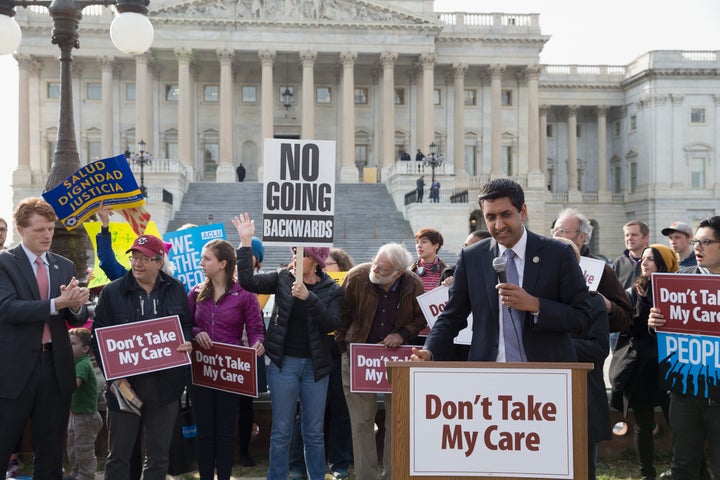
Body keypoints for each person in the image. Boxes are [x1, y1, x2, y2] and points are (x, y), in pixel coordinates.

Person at [412, 178, 591, 363]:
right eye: (491, 217)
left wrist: (536, 305)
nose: (498, 225)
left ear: (522, 212)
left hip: (545, 374)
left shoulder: (558, 254)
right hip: (489, 376)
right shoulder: (471, 257)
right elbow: (452, 317)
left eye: (505, 215)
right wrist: (429, 351)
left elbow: (583, 317)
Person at [232, 213, 342, 480]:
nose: (295, 257)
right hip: (284, 365)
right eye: (294, 251)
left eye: (301, 254)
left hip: (316, 368)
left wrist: (310, 298)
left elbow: (333, 324)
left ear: (315, 261)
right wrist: (245, 243)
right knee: (281, 429)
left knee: (313, 432)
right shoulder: (283, 277)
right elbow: (247, 281)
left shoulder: (332, 289)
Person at [0, 197, 90, 479]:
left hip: (55, 366)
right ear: (20, 229)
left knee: (51, 450)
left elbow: (75, 317)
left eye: (50, 228)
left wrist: (76, 305)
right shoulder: (5, 263)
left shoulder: (63, 265)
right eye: (40, 229)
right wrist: (57, 304)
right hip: (14, 370)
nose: (48, 235)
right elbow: (6, 308)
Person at [93, 234, 193, 480]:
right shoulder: (112, 291)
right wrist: (115, 379)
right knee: (119, 455)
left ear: (160, 262)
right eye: (134, 257)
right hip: (125, 386)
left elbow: (186, 325)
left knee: (159, 456)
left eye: (145, 258)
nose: (137, 263)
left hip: (166, 386)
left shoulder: (176, 288)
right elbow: (98, 338)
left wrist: (187, 341)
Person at [335, 243, 426, 480]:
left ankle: (392, 475)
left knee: (397, 420)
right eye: (375, 262)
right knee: (362, 421)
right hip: (358, 358)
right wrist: (345, 346)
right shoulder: (357, 277)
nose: (375, 269)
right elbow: (341, 314)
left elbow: (420, 318)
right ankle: (366, 476)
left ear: (399, 272)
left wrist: (403, 334)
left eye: (383, 269)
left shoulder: (413, 284)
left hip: (396, 359)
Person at [648, 216, 720, 480]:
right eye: (696, 241)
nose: (697, 247)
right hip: (685, 390)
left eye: (705, 241)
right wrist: (655, 322)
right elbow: (664, 329)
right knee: (684, 467)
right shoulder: (678, 279)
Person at [189, 239, 265, 480]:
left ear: (222, 263)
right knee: (205, 432)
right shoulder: (195, 292)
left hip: (230, 371)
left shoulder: (244, 295)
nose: (200, 263)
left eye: (206, 258)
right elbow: (184, 323)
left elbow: (256, 328)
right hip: (200, 370)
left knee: (224, 431)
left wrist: (257, 343)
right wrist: (195, 332)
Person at [611, 244, 677, 480]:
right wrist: (643, 316)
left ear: (664, 264)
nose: (645, 263)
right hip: (641, 369)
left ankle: (681, 469)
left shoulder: (677, 290)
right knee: (643, 425)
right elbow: (627, 329)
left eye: (651, 259)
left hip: (670, 367)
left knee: (677, 423)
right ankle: (646, 472)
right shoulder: (633, 291)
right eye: (644, 259)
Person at [289, 247, 355, 480]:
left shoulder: (343, 288)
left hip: (337, 353)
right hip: (313, 353)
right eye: (322, 262)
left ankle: (339, 462)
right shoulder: (301, 283)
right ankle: (297, 464)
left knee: (340, 409)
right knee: (306, 412)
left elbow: (338, 320)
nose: (324, 265)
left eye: (330, 262)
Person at [554, 237, 611, 480]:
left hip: (583, 395)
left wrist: (554, 346)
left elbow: (598, 349)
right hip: (543, 402)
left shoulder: (593, 300)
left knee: (583, 468)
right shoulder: (531, 300)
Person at [552, 208, 633, 333]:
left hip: (582, 346)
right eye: (554, 230)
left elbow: (625, 320)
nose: (555, 236)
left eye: (562, 231)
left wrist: (608, 307)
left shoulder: (601, 270)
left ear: (581, 237)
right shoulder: (545, 263)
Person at [237, 236, 267, 468]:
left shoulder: (260, 283)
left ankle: (243, 450)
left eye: (250, 254)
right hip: (224, 351)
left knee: (245, 405)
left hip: (248, 353)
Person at [65, 327, 103, 480]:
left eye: (72, 344)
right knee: (72, 445)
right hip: (76, 413)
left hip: (86, 416)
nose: (68, 347)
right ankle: (76, 472)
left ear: (85, 348)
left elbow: (73, 386)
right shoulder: (76, 362)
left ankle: (86, 474)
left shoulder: (83, 364)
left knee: (83, 448)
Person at [613, 220, 650, 289]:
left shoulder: (654, 261)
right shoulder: (619, 262)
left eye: (634, 235)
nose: (629, 238)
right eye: (627, 235)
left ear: (646, 238)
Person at [410, 228, 447, 293]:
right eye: (417, 242)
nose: (419, 246)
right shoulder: (409, 272)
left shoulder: (447, 272)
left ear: (436, 246)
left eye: (424, 242)